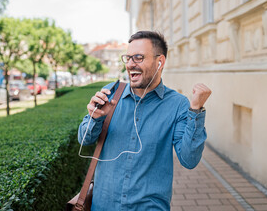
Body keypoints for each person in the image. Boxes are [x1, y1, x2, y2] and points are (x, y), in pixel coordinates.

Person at [78, 31, 212, 210]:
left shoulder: (178, 104)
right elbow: (84, 139)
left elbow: (189, 160)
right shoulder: (110, 93)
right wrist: (94, 119)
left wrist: (196, 110)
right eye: (128, 58)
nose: (131, 64)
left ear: (160, 62)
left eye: (139, 57)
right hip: (103, 205)